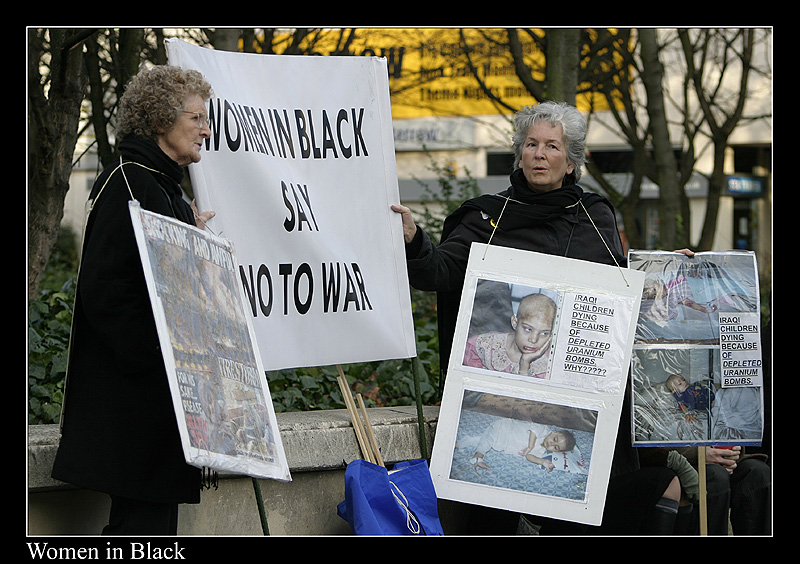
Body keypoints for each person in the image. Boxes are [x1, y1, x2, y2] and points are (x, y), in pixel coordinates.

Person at [392, 101, 683, 535]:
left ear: (572, 162)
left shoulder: (594, 215)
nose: (540, 154)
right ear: (519, 154)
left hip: (578, 404)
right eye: (531, 144)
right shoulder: (487, 216)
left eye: (552, 146)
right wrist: (415, 240)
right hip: (507, 402)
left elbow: (617, 297)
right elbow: (440, 270)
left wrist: (658, 275)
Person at [51, 65, 215, 535]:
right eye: (197, 117)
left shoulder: (157, 184)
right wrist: (164, 354)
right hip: (137, 405)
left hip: (152, 401)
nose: (206, 129)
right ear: (162, 119)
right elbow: (108, 292)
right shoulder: (132, 182)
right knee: (139, 531)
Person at [463, 293, 556, 378]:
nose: (533, 340)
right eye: (528, 329)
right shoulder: (485, 346)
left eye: (544, 333)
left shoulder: (547, 366)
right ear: (515, 323)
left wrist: (524, 367)